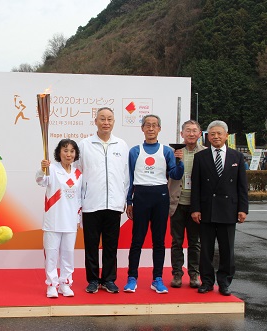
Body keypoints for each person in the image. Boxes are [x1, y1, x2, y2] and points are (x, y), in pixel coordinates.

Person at [124, 114, 184, 294]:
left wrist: (179, 161)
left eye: (154, 125)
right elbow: (130, 178)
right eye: (147, 125)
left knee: (159, 241)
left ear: (159, 129)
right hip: (141, 196)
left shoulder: (166, 151)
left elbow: (175, 175)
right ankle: (132, 277)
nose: (151, 128)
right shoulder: (135, 151)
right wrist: (129, 201)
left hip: (160, 196)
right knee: (137, 240)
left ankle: (157, 278)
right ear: (142, 128)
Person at [190, 120, 248, 296]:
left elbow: (242, 186)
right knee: (206, 249)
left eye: (219, 134)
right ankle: (207, 281)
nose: (216, 137)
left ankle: (224, 282)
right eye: (212, 134)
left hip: (229, 210)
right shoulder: (200, 157)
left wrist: (243, 209)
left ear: (226, 136)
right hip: (206, 209)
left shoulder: (236, 157)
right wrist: (195, 208)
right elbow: (196, 186)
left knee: (227, 249)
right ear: (208, 136)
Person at [77, 107, 129, 294]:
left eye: (109, 119)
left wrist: (123, 198)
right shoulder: (84, 145)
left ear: (113, 122)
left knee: (110, 245)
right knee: (91, 245)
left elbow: (126, 175)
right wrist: (79, 200)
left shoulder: (121, 145)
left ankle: (108, 279)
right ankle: (92, 280)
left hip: (114, 204)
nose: (106, 122)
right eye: (102, 119)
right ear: (95, 121)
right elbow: (77, 173)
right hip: (91, 203)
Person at [36, 139, 82, 298]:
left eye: (72, 151)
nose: (69, 154)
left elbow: (79, 199)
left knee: (68, 254)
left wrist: (78, 219)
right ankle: (51, 285)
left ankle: (65, 284)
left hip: (70, 221)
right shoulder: (52, 169)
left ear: (75, 154)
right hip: (53, 220)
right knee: (52, 254)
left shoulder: (78, 174)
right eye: (65, 150)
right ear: (59, 153)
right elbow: (41, 181)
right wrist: (43, 169)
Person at [168, 120, 206, 289]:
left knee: (195, 242)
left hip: (196, 205)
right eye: (187, 131)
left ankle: (194, 274)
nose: (191, 134)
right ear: (181, 134)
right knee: (176, 241)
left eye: (194, 131)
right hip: (176, 203)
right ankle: (177, 274)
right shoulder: (173, 152)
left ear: (200, 134)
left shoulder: (206, 153)